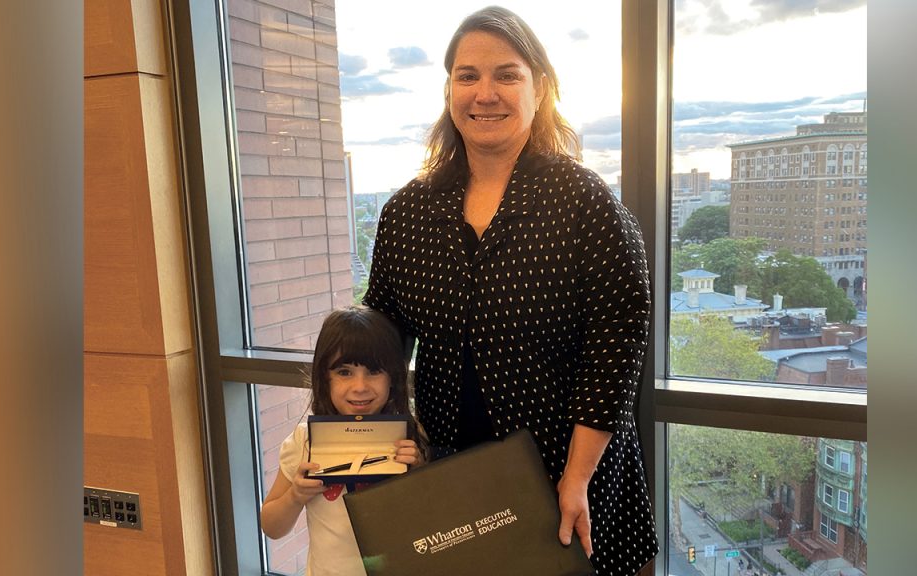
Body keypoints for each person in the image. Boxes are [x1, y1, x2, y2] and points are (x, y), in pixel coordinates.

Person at [363, 6, 657, 575]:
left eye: (507, 75)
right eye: (467, 76)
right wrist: (352, 440)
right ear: (449, 90)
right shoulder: (408, 212)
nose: (485, 94)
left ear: (539, 88)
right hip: (448, 477)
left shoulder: (585, 203)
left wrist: (575, 479)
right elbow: (379, 342)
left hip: (566, 477)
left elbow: (615, 353)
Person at [260, 305, 427, 576]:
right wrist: (295, 496)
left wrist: (418, 473)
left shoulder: (409, 437)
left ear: (392, 378)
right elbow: (271, 526)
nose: (360, 387)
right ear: (324, 377)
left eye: (374, 371)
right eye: (344, 372)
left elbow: (429, 520)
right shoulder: (305, 440)